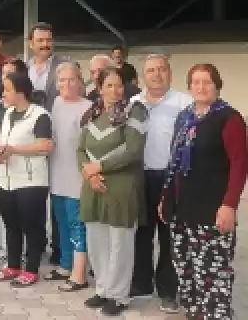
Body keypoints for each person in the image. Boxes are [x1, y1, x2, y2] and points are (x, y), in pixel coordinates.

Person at [161, 64, 247, 320]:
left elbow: (240, 166)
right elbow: (174, 162)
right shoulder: (184, 117)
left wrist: (230, 205)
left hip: (213, 210)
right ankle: (195, 313)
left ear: (217, 86)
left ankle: (216, 315)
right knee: (186, 268)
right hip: (183, 209)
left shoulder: (229, 118)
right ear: (189, 87)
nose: (200, 87)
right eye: (195, 82)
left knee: (213, 273)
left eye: (206, 82)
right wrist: (166, 198)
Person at [78, 67, 147, 316]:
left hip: (122, 187)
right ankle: (103, 289)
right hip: (93, 185)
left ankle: (119, 295)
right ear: (99, 88)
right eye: (109, 85)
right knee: (96, 239)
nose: (115, 90)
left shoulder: (135, 111)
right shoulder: (91, 114)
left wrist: (100, 166)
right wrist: (90, 173)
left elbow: (133, 149)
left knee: (120, 243)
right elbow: (80, 150)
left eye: (119, 85)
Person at [129, 54, 191, 312]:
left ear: (169, 73)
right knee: (141, 232)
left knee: (169, 236)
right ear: (143, 76)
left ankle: (168, 290)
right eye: (151, 70)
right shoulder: (134, 102)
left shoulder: (184, 102)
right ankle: (141, 283)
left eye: (161, 69)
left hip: (171, 177)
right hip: (140, 176)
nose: (157, 74)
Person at [0, 71, 53, 287]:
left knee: (32, 227)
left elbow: (45, 145)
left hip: (31, 181)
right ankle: (13, 265)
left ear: (21, 91)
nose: (3, 93)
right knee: (11, 225)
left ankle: (32, 269)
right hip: (7, 179)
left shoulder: (40, 114)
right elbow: (1, 141)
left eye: (7, 89)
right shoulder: (6, 114)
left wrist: (14, 149)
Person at [47, 62, 91, 291]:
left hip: (77, 177)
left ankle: (79, 273)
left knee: (77, 225)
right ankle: (65, 264)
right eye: (61, 80)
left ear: (80, 81)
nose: (66, 84)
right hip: (57, 174)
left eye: (71, 79)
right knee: (61, 222)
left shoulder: (88, 107)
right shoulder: (55, 104)